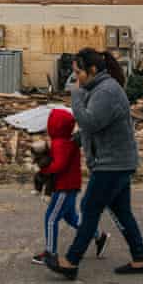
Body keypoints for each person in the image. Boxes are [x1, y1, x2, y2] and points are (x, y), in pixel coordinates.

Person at [46, 48, 143, 281]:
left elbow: (91, 122)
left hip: (113, 163)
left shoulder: (106, 91)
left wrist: (75, 98)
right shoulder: (100, 89)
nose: (76, 78)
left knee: (89, 208)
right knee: (122, 212)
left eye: (78, 73)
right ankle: (140, 258)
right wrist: (74, 141)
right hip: (116, 161)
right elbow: (96, 127)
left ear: (92, 70)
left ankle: (71, 261)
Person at [32, 108, 109, 265]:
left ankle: (50, 253)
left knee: (51, 218)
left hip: (64, 187)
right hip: (71, 185)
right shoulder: (68, 140)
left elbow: (59, 165)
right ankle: (99, 236)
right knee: (71, 217)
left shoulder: (60, 143)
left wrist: (44, 169)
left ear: (54, 125)